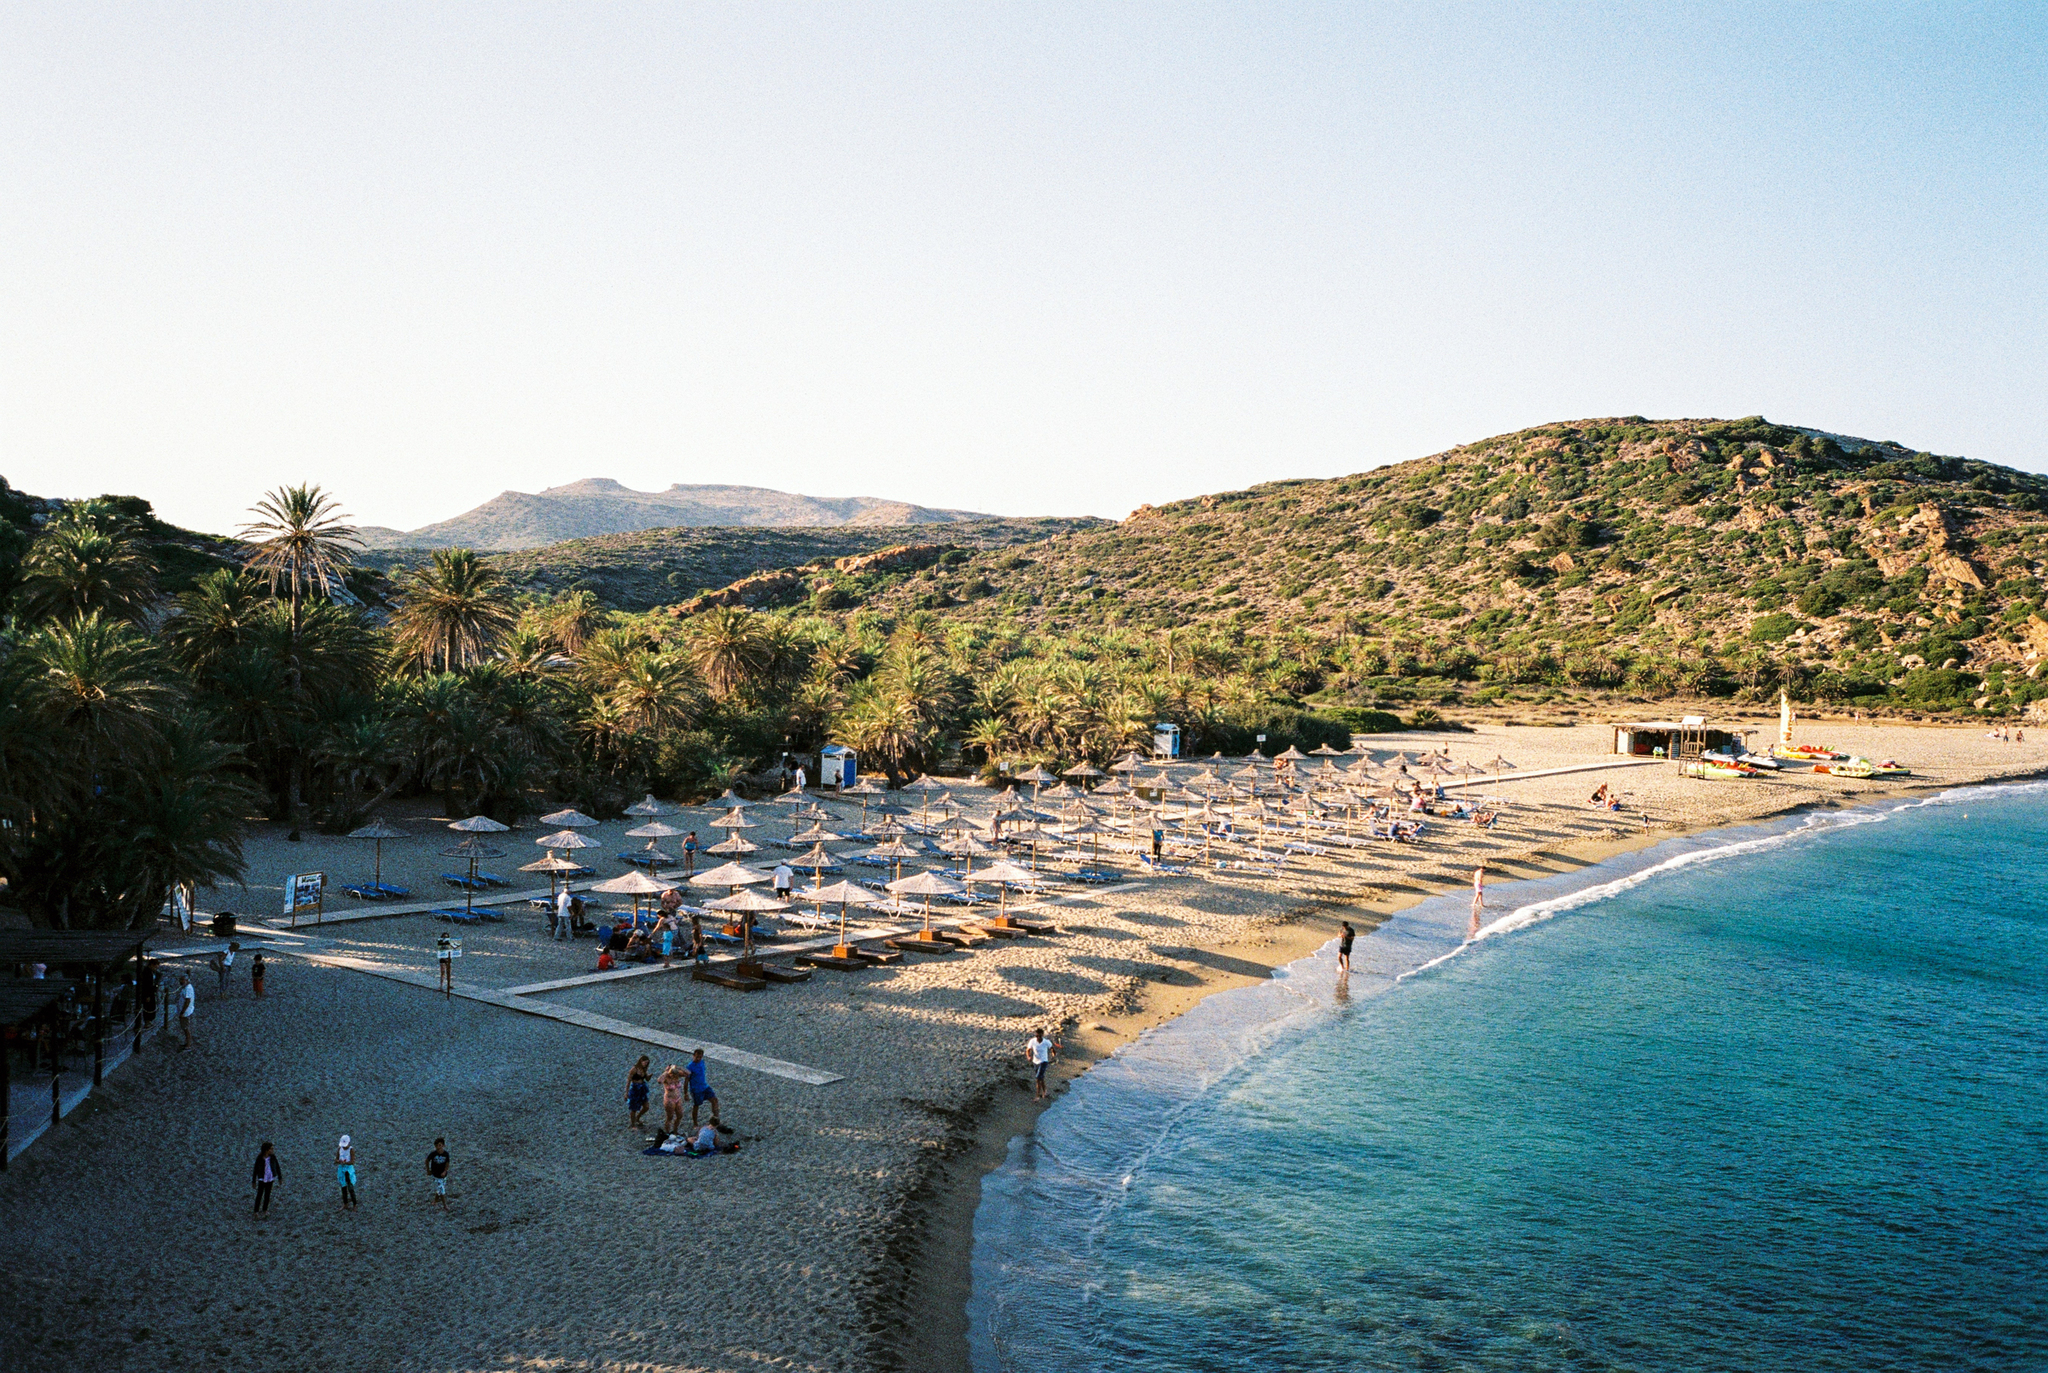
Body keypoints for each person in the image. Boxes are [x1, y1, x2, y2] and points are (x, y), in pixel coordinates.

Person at [685, 1048, 720, 1128]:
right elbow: (686, 1080)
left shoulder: (702, 1062)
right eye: (696, 1057)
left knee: (714, 1100)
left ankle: (716, 1119)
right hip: (696, 1090)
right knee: (696, 1105)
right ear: (693, 1056)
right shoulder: (690, 1066)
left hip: (705, 1086)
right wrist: (686, 1092)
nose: (698, 1059)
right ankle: (695, 1123)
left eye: (700, 1057)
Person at [1027, 1028, 1058, 1100]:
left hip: (1043, 1061)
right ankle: (1045, 1091)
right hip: (1035, 1061)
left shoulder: (1046, 1042)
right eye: (1037, 1036)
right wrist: (1028, 1056)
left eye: (1040, 1036)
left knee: (1038, 1078)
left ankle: (1037, 1096)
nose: (1038, 1038)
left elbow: (1052, 1048)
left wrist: (1053, 1055)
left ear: (1042, 1035)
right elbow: (1028, 1050)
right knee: (1041, 1077)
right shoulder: (1032, 1041)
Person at [251, 1142, 281, 1217]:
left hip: (270, 1178)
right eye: (271, 1149)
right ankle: (256, 1211)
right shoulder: (259, 1158)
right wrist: (254, 1181)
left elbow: (277, 1166)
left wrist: (280, 1177)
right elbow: (255, 1169)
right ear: (266, 1150)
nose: (272, 1150)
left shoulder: (273, 1157)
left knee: (267, 1195)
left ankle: (265, 1210)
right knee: (259, 1194)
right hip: (262, 1178)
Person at [658, 1063, 687, 1135]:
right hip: (669, 1099)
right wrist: (666, 1072)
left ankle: (675, 1130)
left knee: (680, 1115)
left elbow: (688, 1073)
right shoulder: (666, 1078)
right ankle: (667, 1133)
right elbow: (659, 1081)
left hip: (678, 1098)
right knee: (670, 1117)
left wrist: (679, 1067)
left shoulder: (677, 1076)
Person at [626, 1055, 652, 1129]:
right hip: (635, 1089)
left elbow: (647, 1079)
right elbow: (628, 1081)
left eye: (647, 1063)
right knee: (633, 1108)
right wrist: (626, 1092)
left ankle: (638, 1117)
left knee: (646, 1106)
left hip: (642, 1088)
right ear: (641, 1061)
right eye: (645, 1062)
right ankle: (632, 1124)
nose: (645, 1064)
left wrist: (649, 1076)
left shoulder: (644, 1069)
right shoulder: (634, 1069)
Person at [424, 1138, 451, 1206]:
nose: (438, 1147)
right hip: (436, 1175)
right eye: (436, 1146)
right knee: (441, 1189)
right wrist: (428, 1170)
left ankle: (435, 1201)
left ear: (443, 1145)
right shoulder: (433, 1154)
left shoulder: (446, 1154)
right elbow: (427, 1160)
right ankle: (445, 1205)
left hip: (443, 1175)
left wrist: (445, 1171)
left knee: (439, 1189)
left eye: (439, 1145)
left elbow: (447, 1164)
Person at [336, 1135, 359, 1211]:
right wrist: (339, 1161)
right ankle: (345, 1203)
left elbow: (352, 1161)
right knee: (343, 1188)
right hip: (342, 1170)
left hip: (348, 1171)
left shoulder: (351, 1150)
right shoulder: (339, 1149)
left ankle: (355, 1204)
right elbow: (336, 1159)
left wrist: (345, 1162)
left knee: (350, 1188)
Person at [177, 975, 196, 1048]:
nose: (181, 982)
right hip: (186, 1011)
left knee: (186, 1028)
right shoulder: (186, 987)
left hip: (186, 1012)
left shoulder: (188, 989)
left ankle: (188, 1045)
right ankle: (187, 1043)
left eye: (183, 980)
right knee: (185, 1028)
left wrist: (182, 1012)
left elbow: (187, 1001)